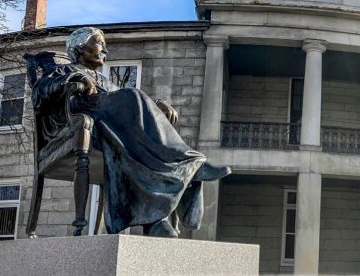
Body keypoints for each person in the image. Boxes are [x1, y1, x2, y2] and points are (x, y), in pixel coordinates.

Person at [31, 26, 229, 237]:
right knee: (133, 97)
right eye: (98, 43)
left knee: (141, 146)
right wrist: (75, 80)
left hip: (111, 132)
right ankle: (189, 164)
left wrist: (157, 104)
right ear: (80, 48)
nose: (104, 50)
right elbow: (39, 93)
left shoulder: (105, 82)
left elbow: (129, 103)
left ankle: (155, 220)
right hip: (78, 127)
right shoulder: (64, 70)